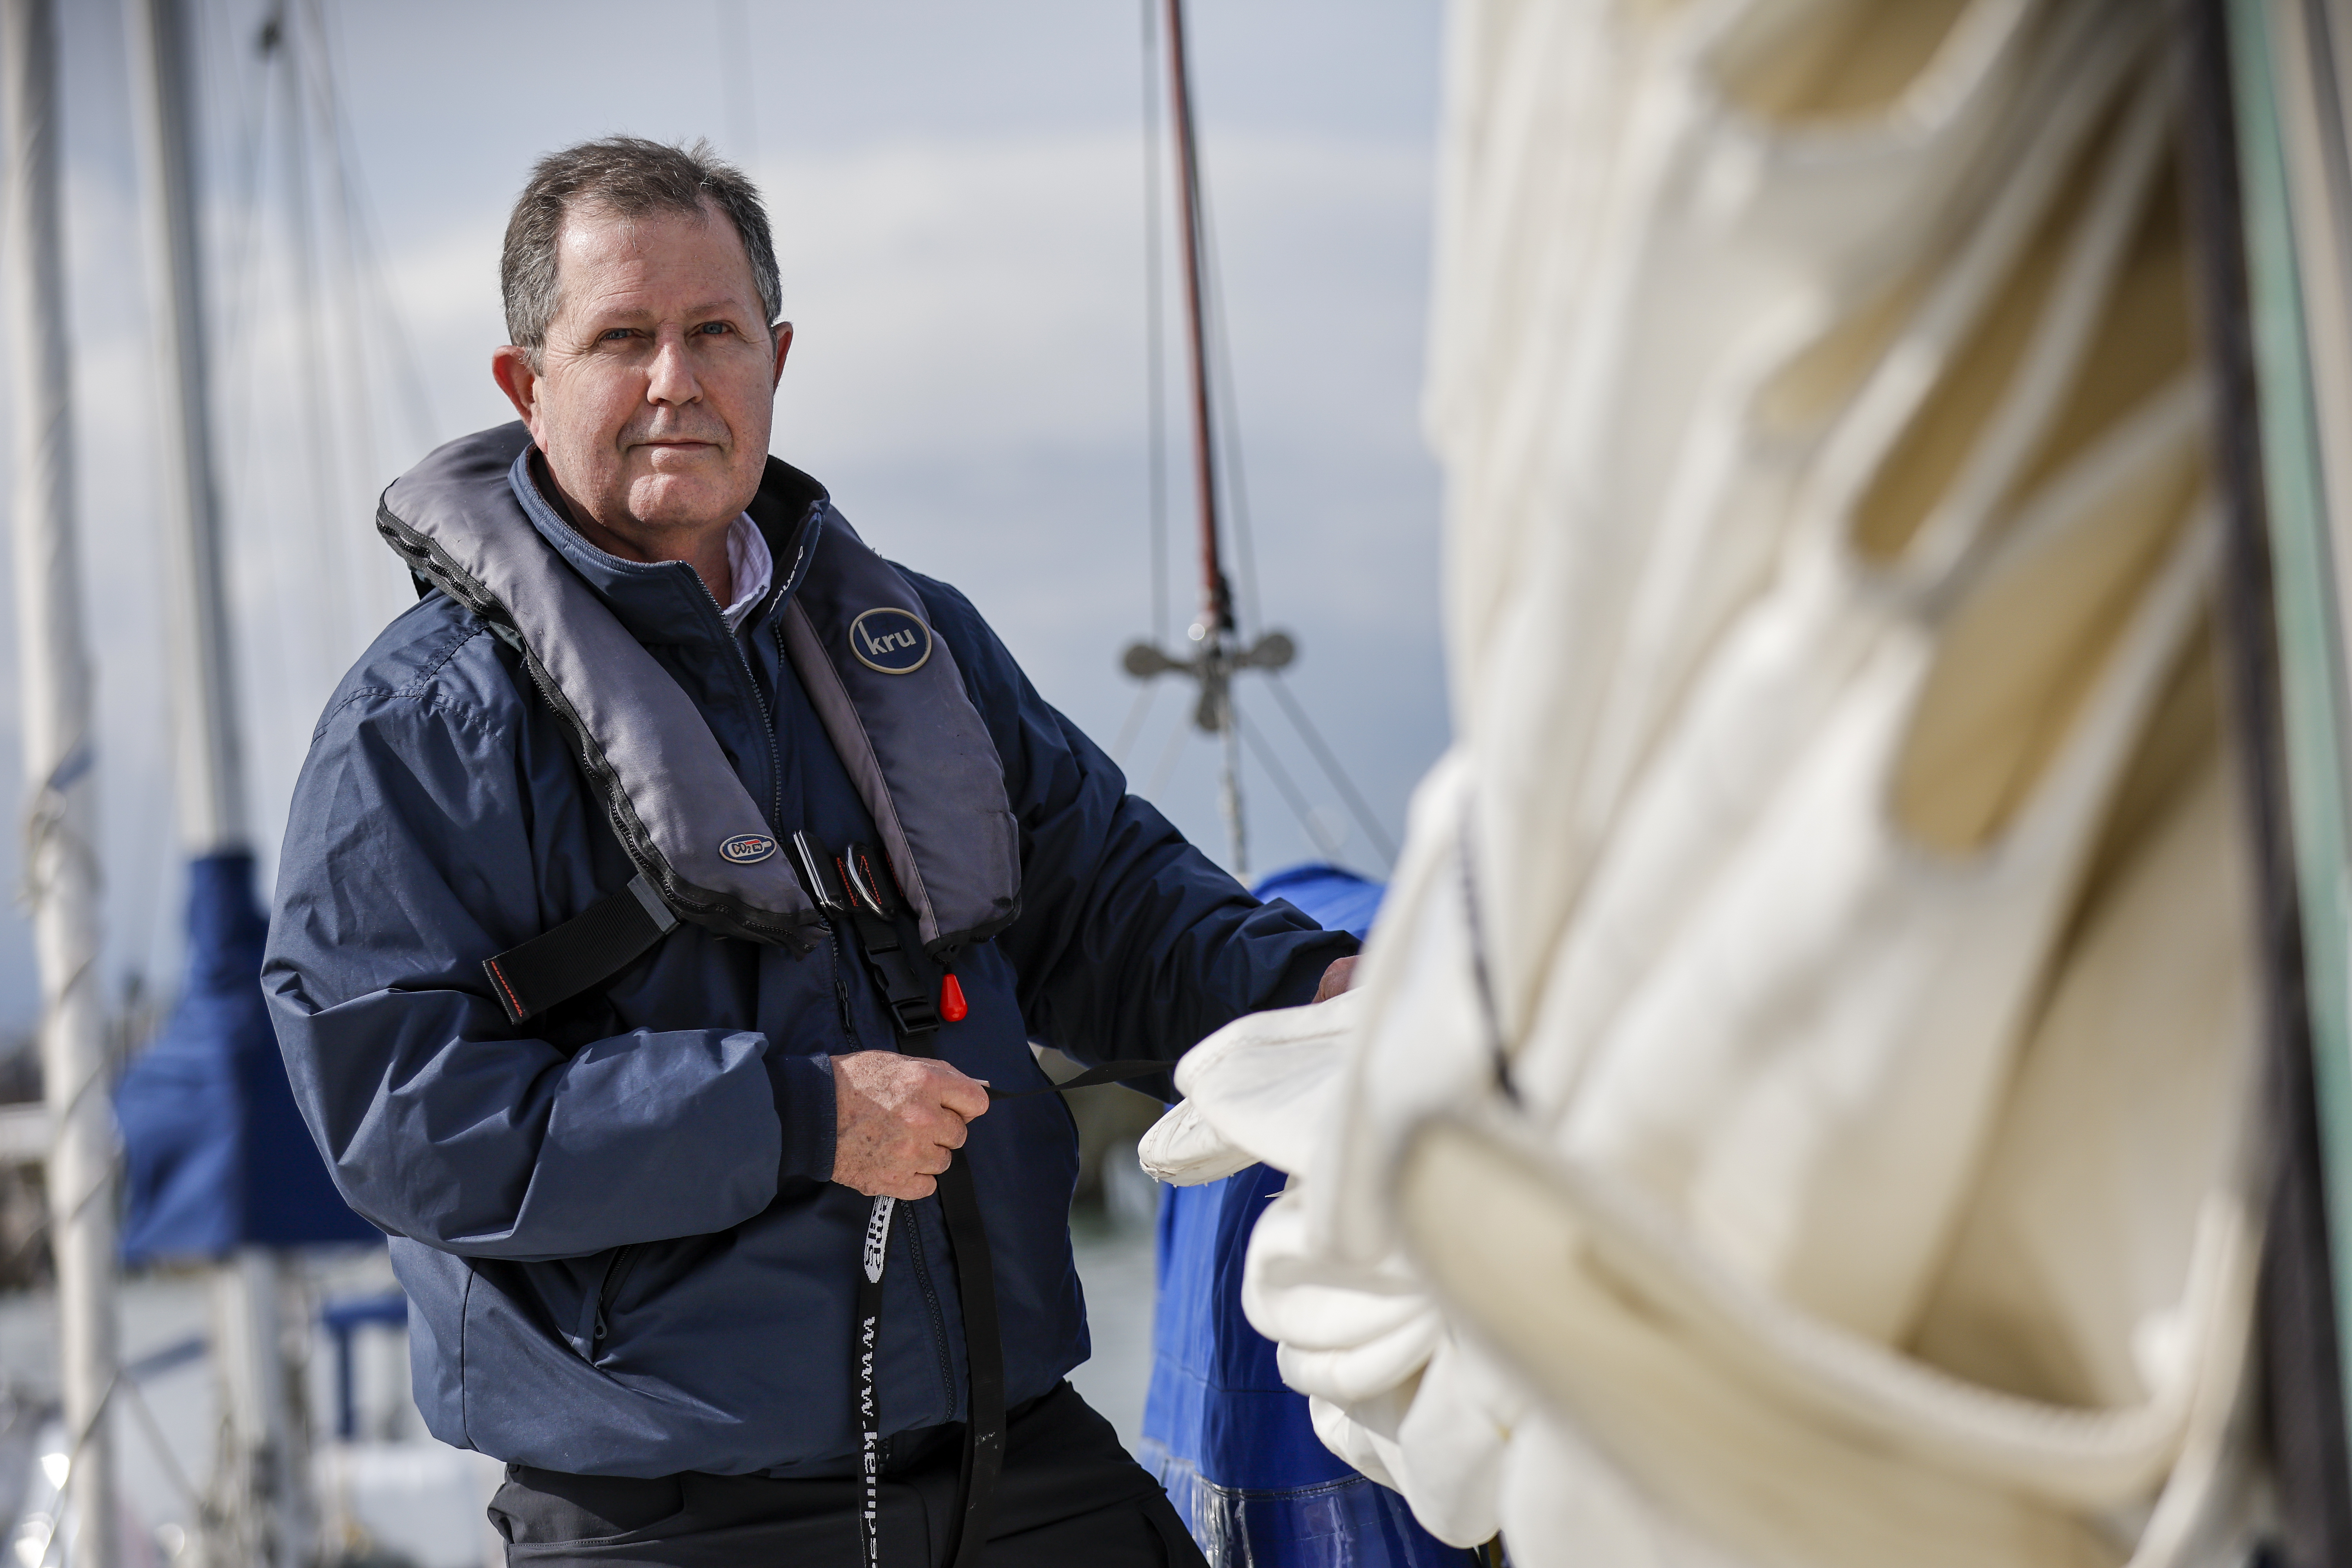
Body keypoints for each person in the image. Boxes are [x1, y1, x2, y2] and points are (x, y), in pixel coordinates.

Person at [263, 135, 1357, 1567]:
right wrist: (795, 1118)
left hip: (1009, 1454)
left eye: (714, 332)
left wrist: (1333, 995)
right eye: (622, 339)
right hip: (670, 1512)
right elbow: (397, 1111)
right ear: (527, 385)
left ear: (776, 357)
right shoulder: (419, 728)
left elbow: (1116, 912)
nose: (676, 380)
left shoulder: (920, 648)